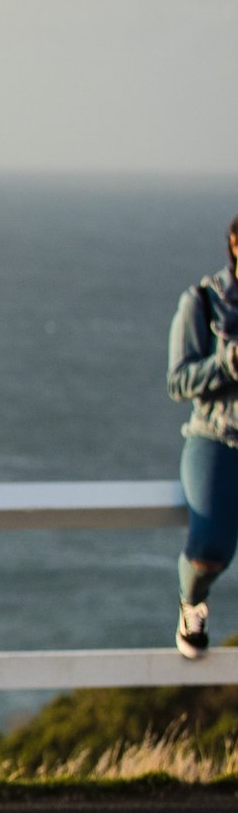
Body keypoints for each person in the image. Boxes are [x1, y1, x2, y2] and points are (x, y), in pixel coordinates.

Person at [167, 214, 238, 658]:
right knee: (209, 547)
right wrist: (229, 362)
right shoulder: (203, 301)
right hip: (216, 436)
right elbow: (177, 381)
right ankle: (191, 603)